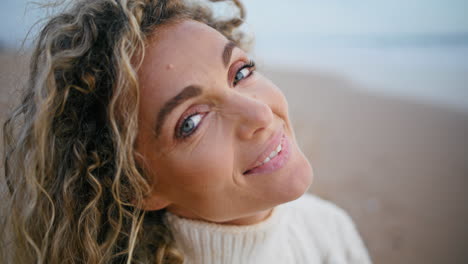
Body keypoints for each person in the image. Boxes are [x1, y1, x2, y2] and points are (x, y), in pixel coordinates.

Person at [1, 0, 371, 263]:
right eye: (191, 121)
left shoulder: (329, 230)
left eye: (240, 73)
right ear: (137, 185)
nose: (259, 113)